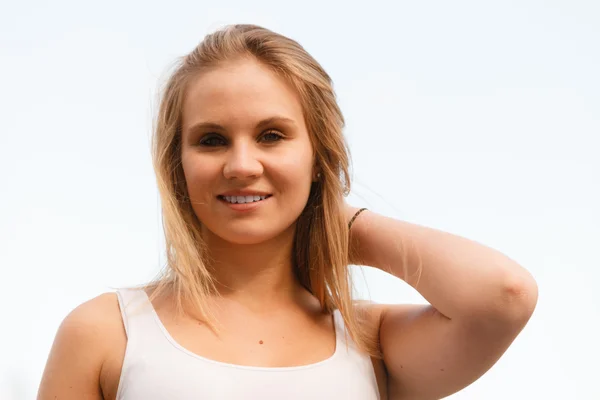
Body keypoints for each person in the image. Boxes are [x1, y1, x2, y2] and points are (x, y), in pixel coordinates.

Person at [37, 24, 538, 400]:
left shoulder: (372, 343)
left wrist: (337, 225)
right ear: (177, 166)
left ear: (318, 157)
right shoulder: (107, 333)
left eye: (271, 135)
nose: (241, 165)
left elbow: (504, 294)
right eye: (211, 140)